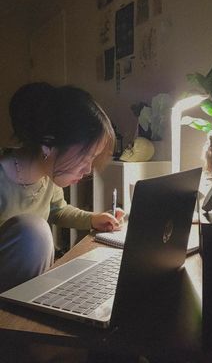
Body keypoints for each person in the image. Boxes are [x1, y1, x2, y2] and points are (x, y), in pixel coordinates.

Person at [0, 82, 123, 293]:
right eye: (86, 157)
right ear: (49, 144)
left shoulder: (47, 178)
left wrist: (93, 219)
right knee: (33, 230)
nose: (88, 169)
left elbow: (58, 210)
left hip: (27, 288)